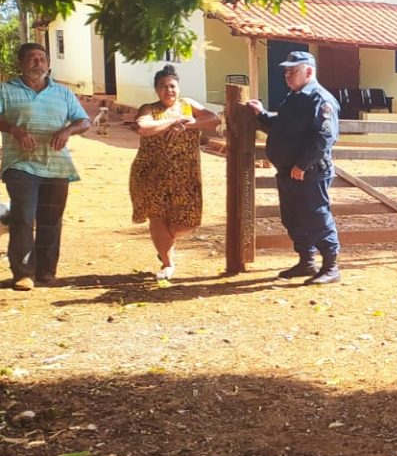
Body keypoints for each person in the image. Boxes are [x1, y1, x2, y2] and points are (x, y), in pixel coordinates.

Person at [0, 42, 91, 290]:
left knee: (50, 220)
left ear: (49, 64)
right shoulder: (4, 90)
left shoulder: (63, 93)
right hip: (20, 165)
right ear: (20, 63)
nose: (38, 63)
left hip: (57, 166)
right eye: (32, 58)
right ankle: (23, 274)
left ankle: (47, 273)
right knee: (23, 217)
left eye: (42, 58)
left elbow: (84, 121)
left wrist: (68, 130)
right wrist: (13, 129)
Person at [244, 50, 341, 285]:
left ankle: (331, 266)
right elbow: (283, 126)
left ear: (309, 71)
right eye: (286, 71)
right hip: (289, 172)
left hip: (309, 172)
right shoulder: (294, 97)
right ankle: (306, 261)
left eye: (293, 71)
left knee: (317, 217)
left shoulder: (320, 99)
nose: (288, 76)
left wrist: (302, 164)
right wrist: (262, 115)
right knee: (293, 218)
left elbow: (324, 137)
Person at [128, 64, 220, 279]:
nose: (168, 90)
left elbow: (213, 119)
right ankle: (168, 263)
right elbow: (143, 127)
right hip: (152, 174)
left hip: (186, 175)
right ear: (156, 90)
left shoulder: (188, 105)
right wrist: (173, 121)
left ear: (178, 88)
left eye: (172, 86)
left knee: (189, 221)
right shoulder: (149, 108)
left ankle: (165, 244)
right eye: (162, 86)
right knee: (157, 216)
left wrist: (188, 124)